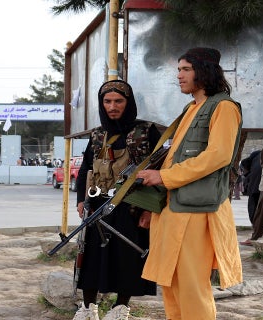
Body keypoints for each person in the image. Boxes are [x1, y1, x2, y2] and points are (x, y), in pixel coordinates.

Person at [136, 47, 243, 319]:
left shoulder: (224, 107)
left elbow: (217, 156)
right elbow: (175, 157)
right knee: (171, 282)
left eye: (185, 69)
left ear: (203, 71)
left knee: (192, 286)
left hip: (197, 211)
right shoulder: (192, 108)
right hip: (174, 207)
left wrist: (164, 177)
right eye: (178, 70)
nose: (179, 76)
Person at [72, 80, 159, 320]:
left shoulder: (146, 132)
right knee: (90, 257)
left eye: (118, 101)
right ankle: (88, 308)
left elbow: (159, 171)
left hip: (133, 207)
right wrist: (81, 199)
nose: (112, 106)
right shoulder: (99, 134)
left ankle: (120, 308)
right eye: (107, 101)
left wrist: (150, 210)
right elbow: (86, 168)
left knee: (127, 258)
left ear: (128, 103)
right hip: (98, 206)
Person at [240, 150, 263, 224]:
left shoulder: (254, 159)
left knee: (253, 207)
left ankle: (255, 224)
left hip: (254, 187)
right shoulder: (261, 157)